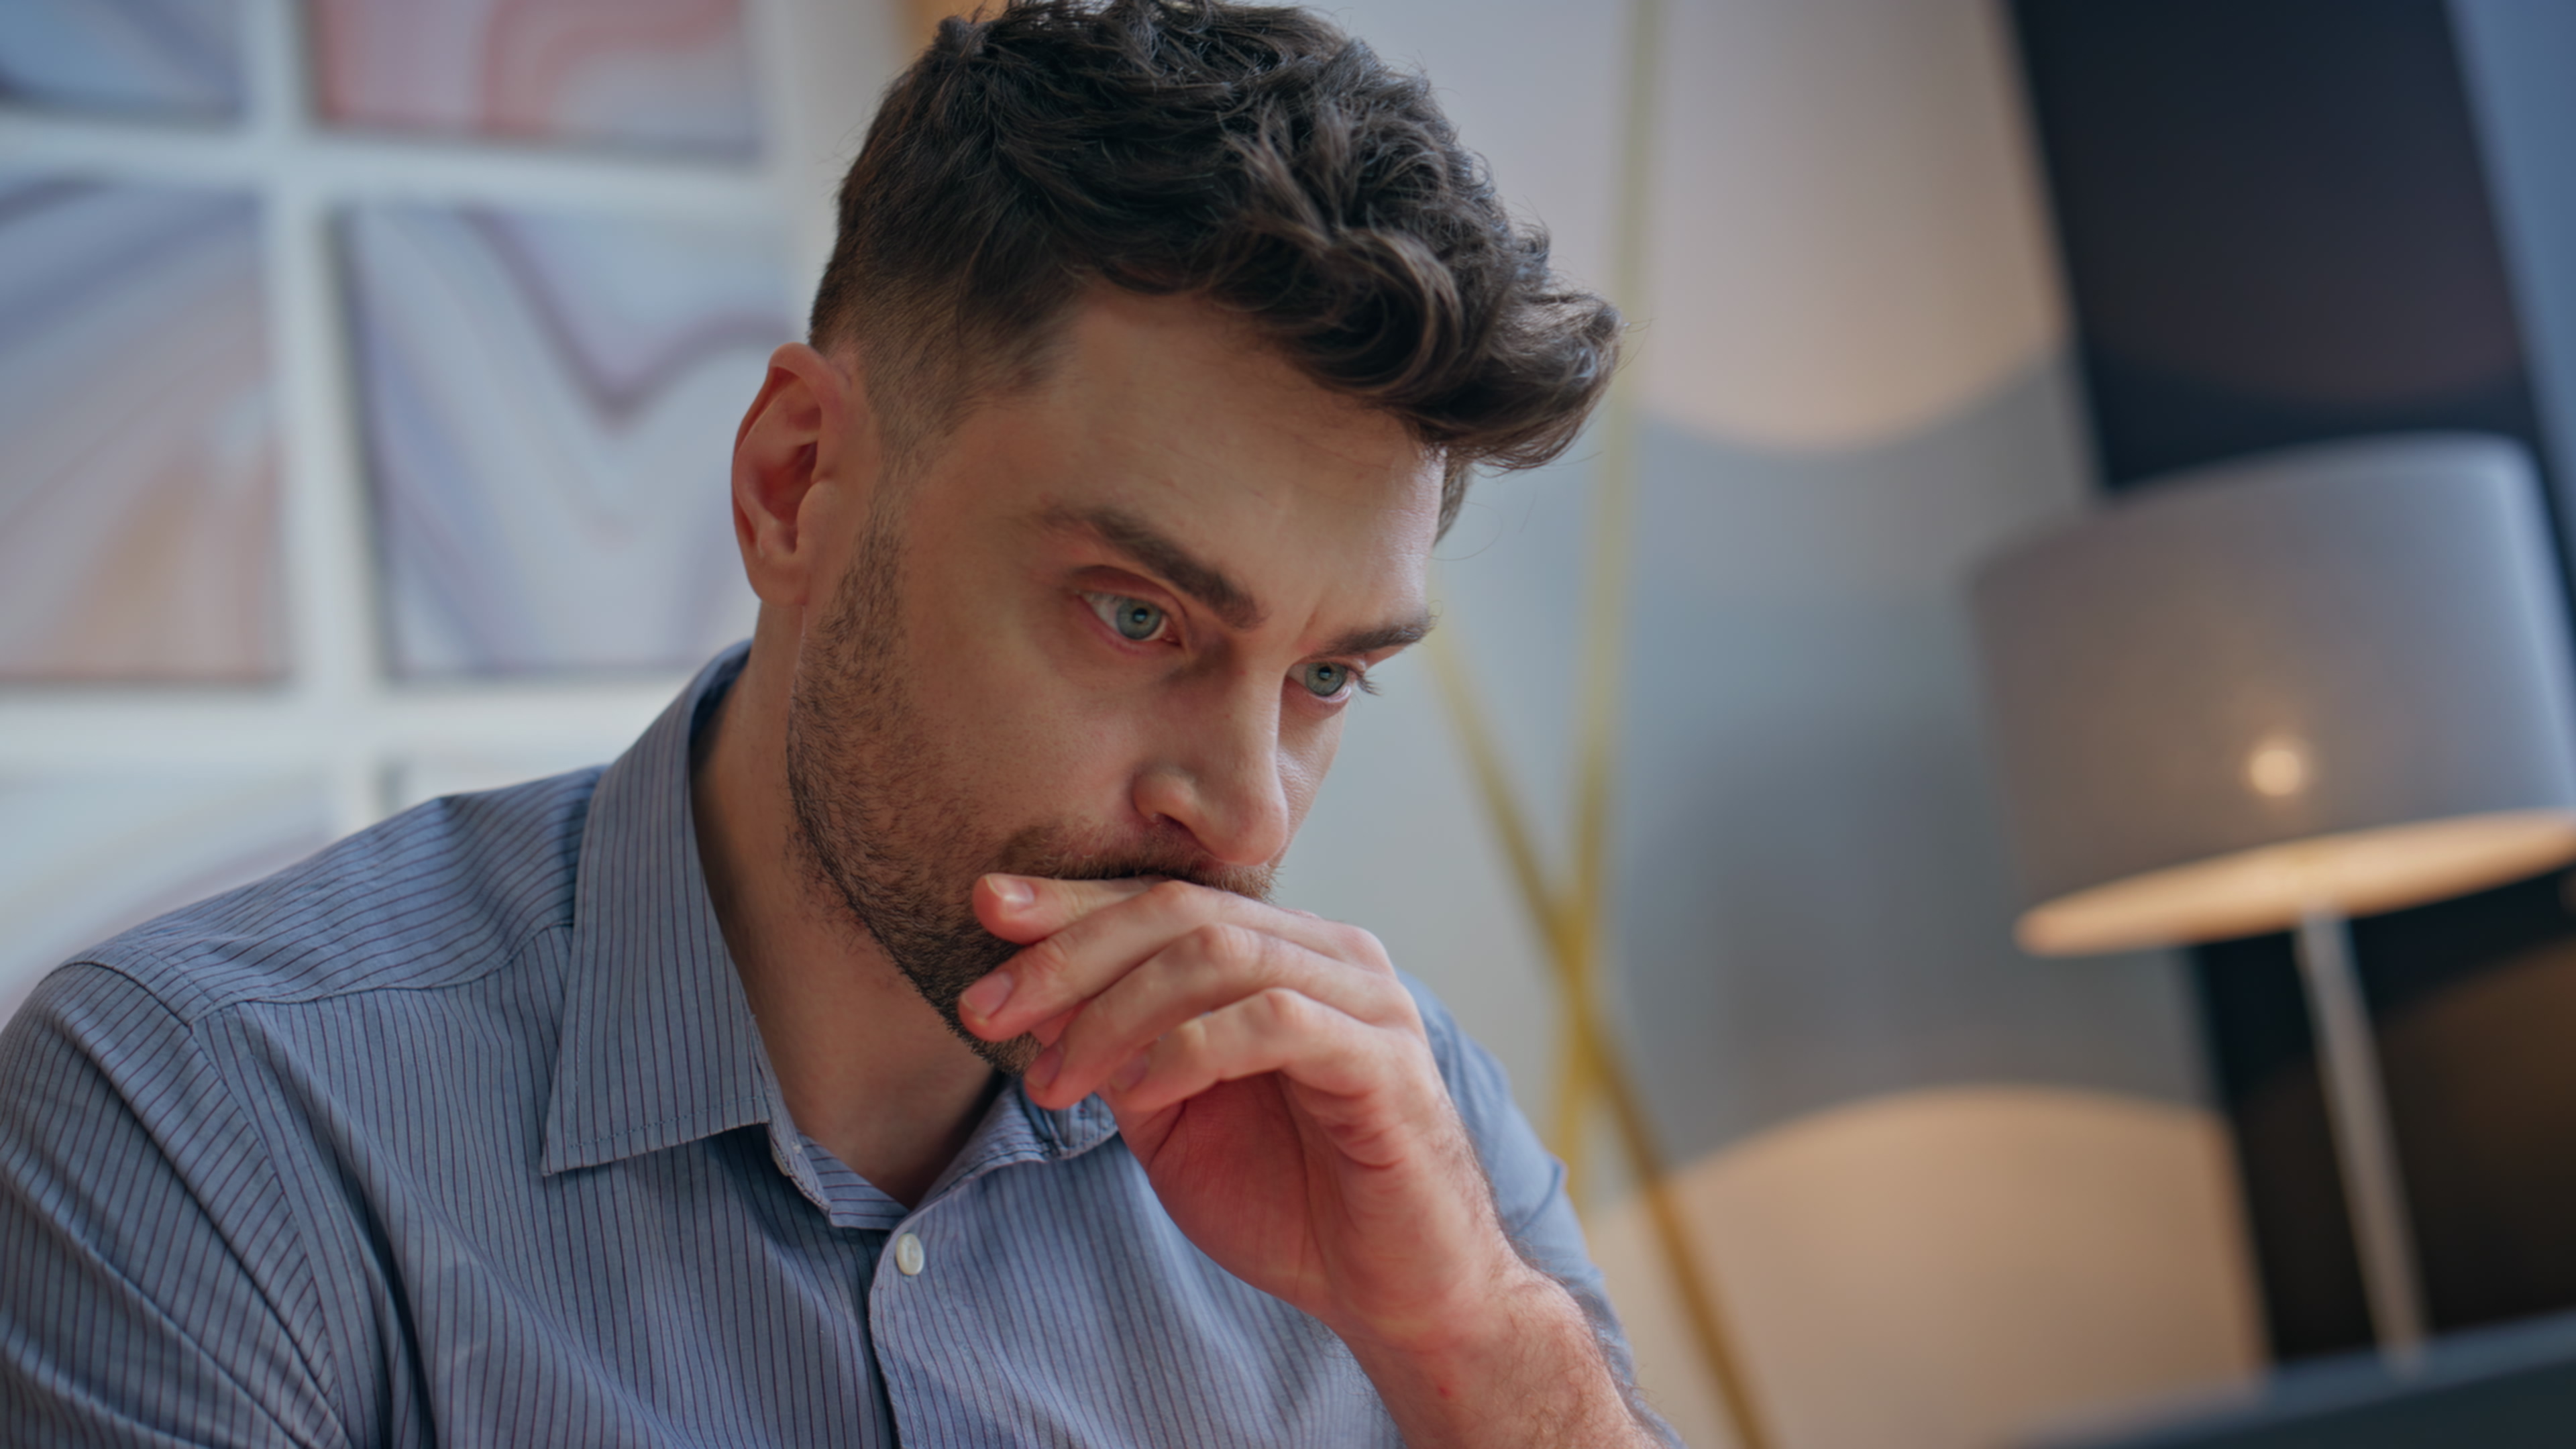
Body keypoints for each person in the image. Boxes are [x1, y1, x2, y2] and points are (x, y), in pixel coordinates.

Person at [0, 2, 1664, 1443]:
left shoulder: (1393, 1116)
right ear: (796, 485)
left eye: (1326, 678)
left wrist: (1467, 1337)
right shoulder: (202, 1129)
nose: (1247, 819)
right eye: (1136, 614)